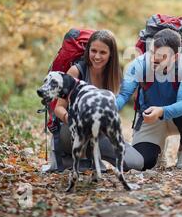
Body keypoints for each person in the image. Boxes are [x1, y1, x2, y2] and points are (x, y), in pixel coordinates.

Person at [42, 29, 144, 172]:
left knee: (136, 162)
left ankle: (91, 158)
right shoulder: (76, 72)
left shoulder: (114, 75)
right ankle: (74, 158)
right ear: (88, 50)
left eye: (103, 53)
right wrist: (70, 119)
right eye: (93, 51)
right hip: (71, 130)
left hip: (99, 132)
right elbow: (59, 107)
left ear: (111, 54)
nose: (97, 56)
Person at [115, 28, 182, 170]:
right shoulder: (139, 64)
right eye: (153, 53)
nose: (155, 59)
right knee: (139, 164)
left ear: (176, 57)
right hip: (149, 117)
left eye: (163, 56)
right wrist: (108, 110)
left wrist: (161, 111)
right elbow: (124, 95)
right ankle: (157, 152)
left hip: (176, 118)